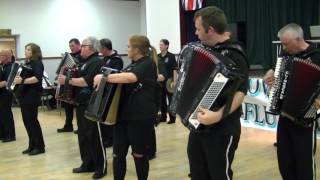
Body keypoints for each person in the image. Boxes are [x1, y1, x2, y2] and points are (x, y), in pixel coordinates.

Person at [186, 6, 249, 180]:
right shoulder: (203, 49)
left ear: (211, 30)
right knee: (197, 173)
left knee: (219, 174)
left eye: (198, 29)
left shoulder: (235, 54)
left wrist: (217, 116)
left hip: (223, 128)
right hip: (198, 126)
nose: (196, 33)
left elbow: (240, 92)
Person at [94, 35, 158, 180]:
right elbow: (123, 76)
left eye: (129, 46)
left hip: (140, 116)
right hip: (123, 116)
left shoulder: (147, 63)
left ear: (136, 49)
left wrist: (103, 78)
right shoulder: (131, 64)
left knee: (138, 154)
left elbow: (130, 78)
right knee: (117, 154)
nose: (126, 49)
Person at [263, 23, 320, 180]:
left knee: (304, 163)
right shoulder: (285, 53)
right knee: (285, 160)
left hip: (306, 117)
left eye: (286, 43)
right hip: (284, 113)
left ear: (298, 39)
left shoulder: (316, 56)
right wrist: (270, 73)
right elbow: (276, 70)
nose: (283, 47)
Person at [58, 36, 106, 179]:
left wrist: (67, 80)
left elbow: (87, 82)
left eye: (83, 45)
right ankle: (87, 163)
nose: (81, 48)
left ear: (90, 47)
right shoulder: (85, 62)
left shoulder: (97, 62)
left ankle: (100, 167)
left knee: (94, 136)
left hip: (91, 104)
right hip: (80, 103)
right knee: (83, 136)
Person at [14, 43, 46, 155]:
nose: (25, 51)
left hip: (32, 96)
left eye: (28, 49)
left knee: (32, 121)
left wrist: (22, 81)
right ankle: (32, 145)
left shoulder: (37, 63)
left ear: (34, 52)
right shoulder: (28, 63)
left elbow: (37, 78)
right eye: (25, 49)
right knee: (27, 122)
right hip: (25, 96)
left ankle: (40, 146)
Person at [99, 38, 124, 148]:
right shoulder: (105, 58)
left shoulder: (117, 59)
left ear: (105, 48)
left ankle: (110, 139)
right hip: (103, 89)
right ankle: (105, 138)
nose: (99, 51)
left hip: (111, 91)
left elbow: (114, 75)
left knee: (109, 115)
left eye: (100, 48)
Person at [57, 38, 83, 133]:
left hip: (77, 83)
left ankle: (81, 127)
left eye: (72, 46)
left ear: (78, 45)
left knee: (78, 107)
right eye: (70, 46)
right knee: (67, 104)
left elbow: (80, 69)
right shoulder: (69, 56)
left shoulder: (82, 55)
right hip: (68, 83)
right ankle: (68, 125)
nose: (71, 48)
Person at [157, 39, 178, 124]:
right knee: (162, 100)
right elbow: (156, 69)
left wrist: (175, 81)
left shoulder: (171, 56)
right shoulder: (157, 56)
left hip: (169, 82)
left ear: (166, 46)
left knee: (171, 100)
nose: (160, 46)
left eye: (162, 44)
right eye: (159, 45)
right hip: (160, 81)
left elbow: (175, 69)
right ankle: (163, 117)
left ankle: (172, 118)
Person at [0, 49, 16, 142]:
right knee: (2, 115)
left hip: (6, 94)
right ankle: (3, 134)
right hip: (2, 94)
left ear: (6, 57)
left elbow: (7, 82)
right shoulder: (3, 66)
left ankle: (10, 135)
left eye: (1, 55)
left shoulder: (10, 67)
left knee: (6, 114)